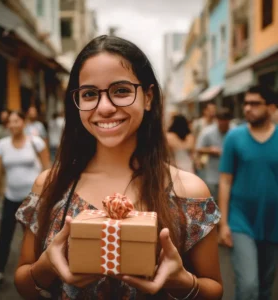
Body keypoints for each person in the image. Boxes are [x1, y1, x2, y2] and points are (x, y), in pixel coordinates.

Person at [14, 35, 223, 300]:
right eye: (89, 94)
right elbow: (23, 284)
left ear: (148, 97)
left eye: (121, 91)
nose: (104, 107)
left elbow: (214, 290)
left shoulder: (189, 191)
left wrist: (181, 282)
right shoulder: (50, 185)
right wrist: (45, 267)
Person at [218, 85, 278, 300]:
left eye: (254, 103)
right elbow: (225, 181)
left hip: (273, 221)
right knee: (248, 285)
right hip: (240, 219)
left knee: (265, 286)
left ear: (271, 107)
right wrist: (223, 223)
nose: (247, 108)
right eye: (246, 103)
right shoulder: (234, 137)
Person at [0, 111, 50, 288]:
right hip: (11, 198)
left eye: (16, 121)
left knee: (36, 237)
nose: (13, 125)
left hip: (34, 200)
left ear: (23, 122)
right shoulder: (2, 145)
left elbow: (47, 169)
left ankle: (41, 275)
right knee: (4, 235)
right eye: (10, 122)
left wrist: (50, 195)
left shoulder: (35, 142)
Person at [196, 108, 232, 201]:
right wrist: (211, 150)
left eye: (225, 121)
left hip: (232, 174)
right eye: (221, 121)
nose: (223, 124)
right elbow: (198, 148)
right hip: (213, 174)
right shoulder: (207, 132)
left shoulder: (235, 131)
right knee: (214, 201)